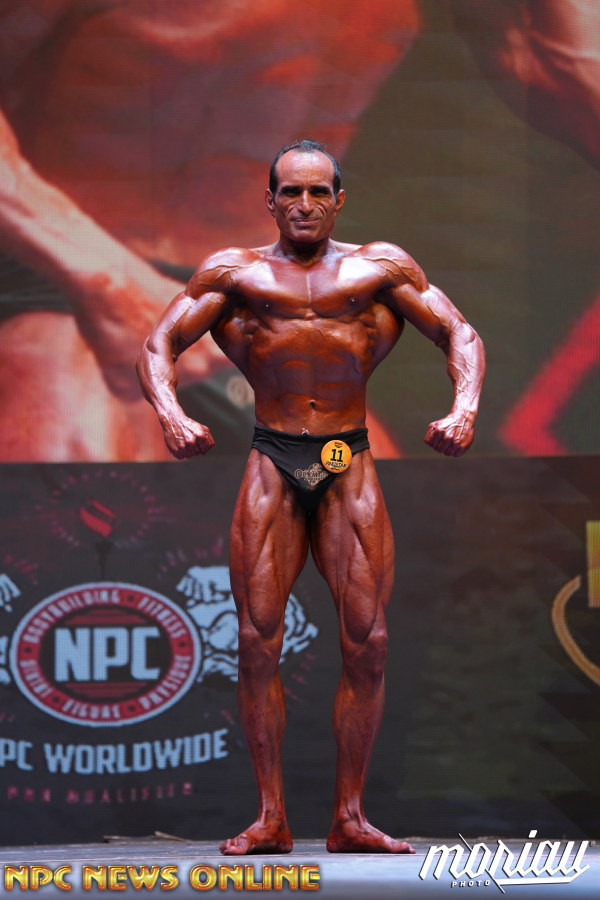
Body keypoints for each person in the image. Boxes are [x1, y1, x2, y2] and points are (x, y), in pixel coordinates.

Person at [137, 139, 485, 854]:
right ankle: (271, 816)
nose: (304, 204)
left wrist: (465, 408)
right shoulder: (234, 273)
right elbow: (158, 343)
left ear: (339, 199)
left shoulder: (379, 268)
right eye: (290, 192)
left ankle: (349, 817)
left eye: (318, 191)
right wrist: (171, 414)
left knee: (369, 642)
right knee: (255, 642)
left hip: (344, 456)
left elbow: (459, 331)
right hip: (273, 456)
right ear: (269, 201)